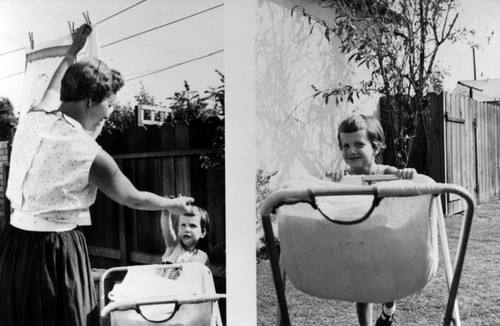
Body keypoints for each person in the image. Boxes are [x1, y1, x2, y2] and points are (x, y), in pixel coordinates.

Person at [0, 24, 194, 326]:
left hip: (13, 246)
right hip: (55, 253)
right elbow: (134, 199)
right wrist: (173, 205)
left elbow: (53, 88)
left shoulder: (33, 119)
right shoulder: (89, 153)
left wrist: (72, 51)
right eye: (109, 104)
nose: (109, 113)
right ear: (91, 100)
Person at [325, 114, 416, 326]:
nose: (350, 151)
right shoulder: (345, 177)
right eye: (345, 146)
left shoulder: (387, 172)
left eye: (358, 144)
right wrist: (335, 179)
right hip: (357, 239)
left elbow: (406, 179)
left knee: (388, 283)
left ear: (375, 148)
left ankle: (388, 308)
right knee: (361, 290)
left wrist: (407, 173)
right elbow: (329, 190)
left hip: (385, 238)